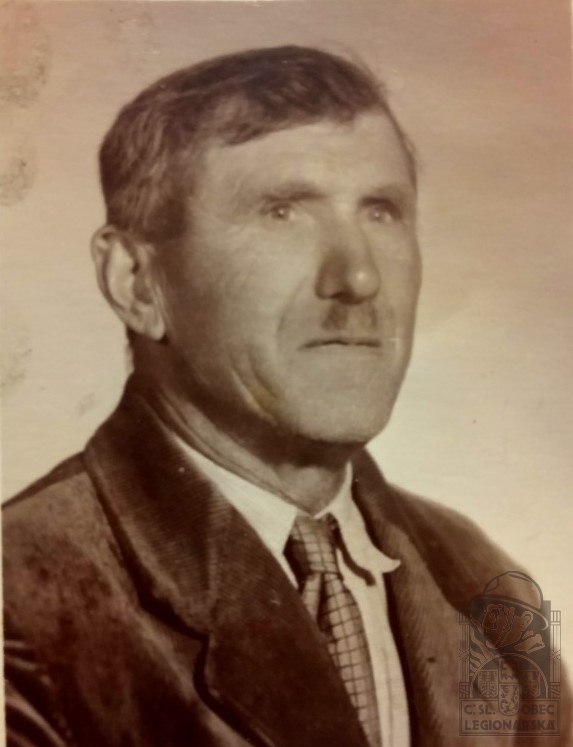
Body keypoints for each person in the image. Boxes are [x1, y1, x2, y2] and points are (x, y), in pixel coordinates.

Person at [3, 45, 569, 747]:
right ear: (137, 283)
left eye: (381, 211)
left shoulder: (488, 583)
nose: (358, 278)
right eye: (282, 212)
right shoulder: (20, 604)